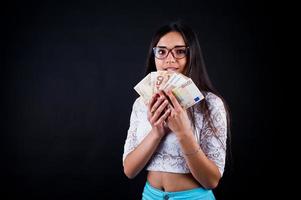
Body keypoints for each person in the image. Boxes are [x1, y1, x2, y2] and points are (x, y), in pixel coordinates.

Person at [122, 21, 230, 200]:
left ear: (192, 55)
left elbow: (211, 181)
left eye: (180, 51)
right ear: (154, 56)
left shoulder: (211, 104)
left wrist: (183, 132)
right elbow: (129, 171)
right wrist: (156, 132)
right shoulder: (141, 104)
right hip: (150, 196)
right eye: (162, 51)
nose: (169, 60)